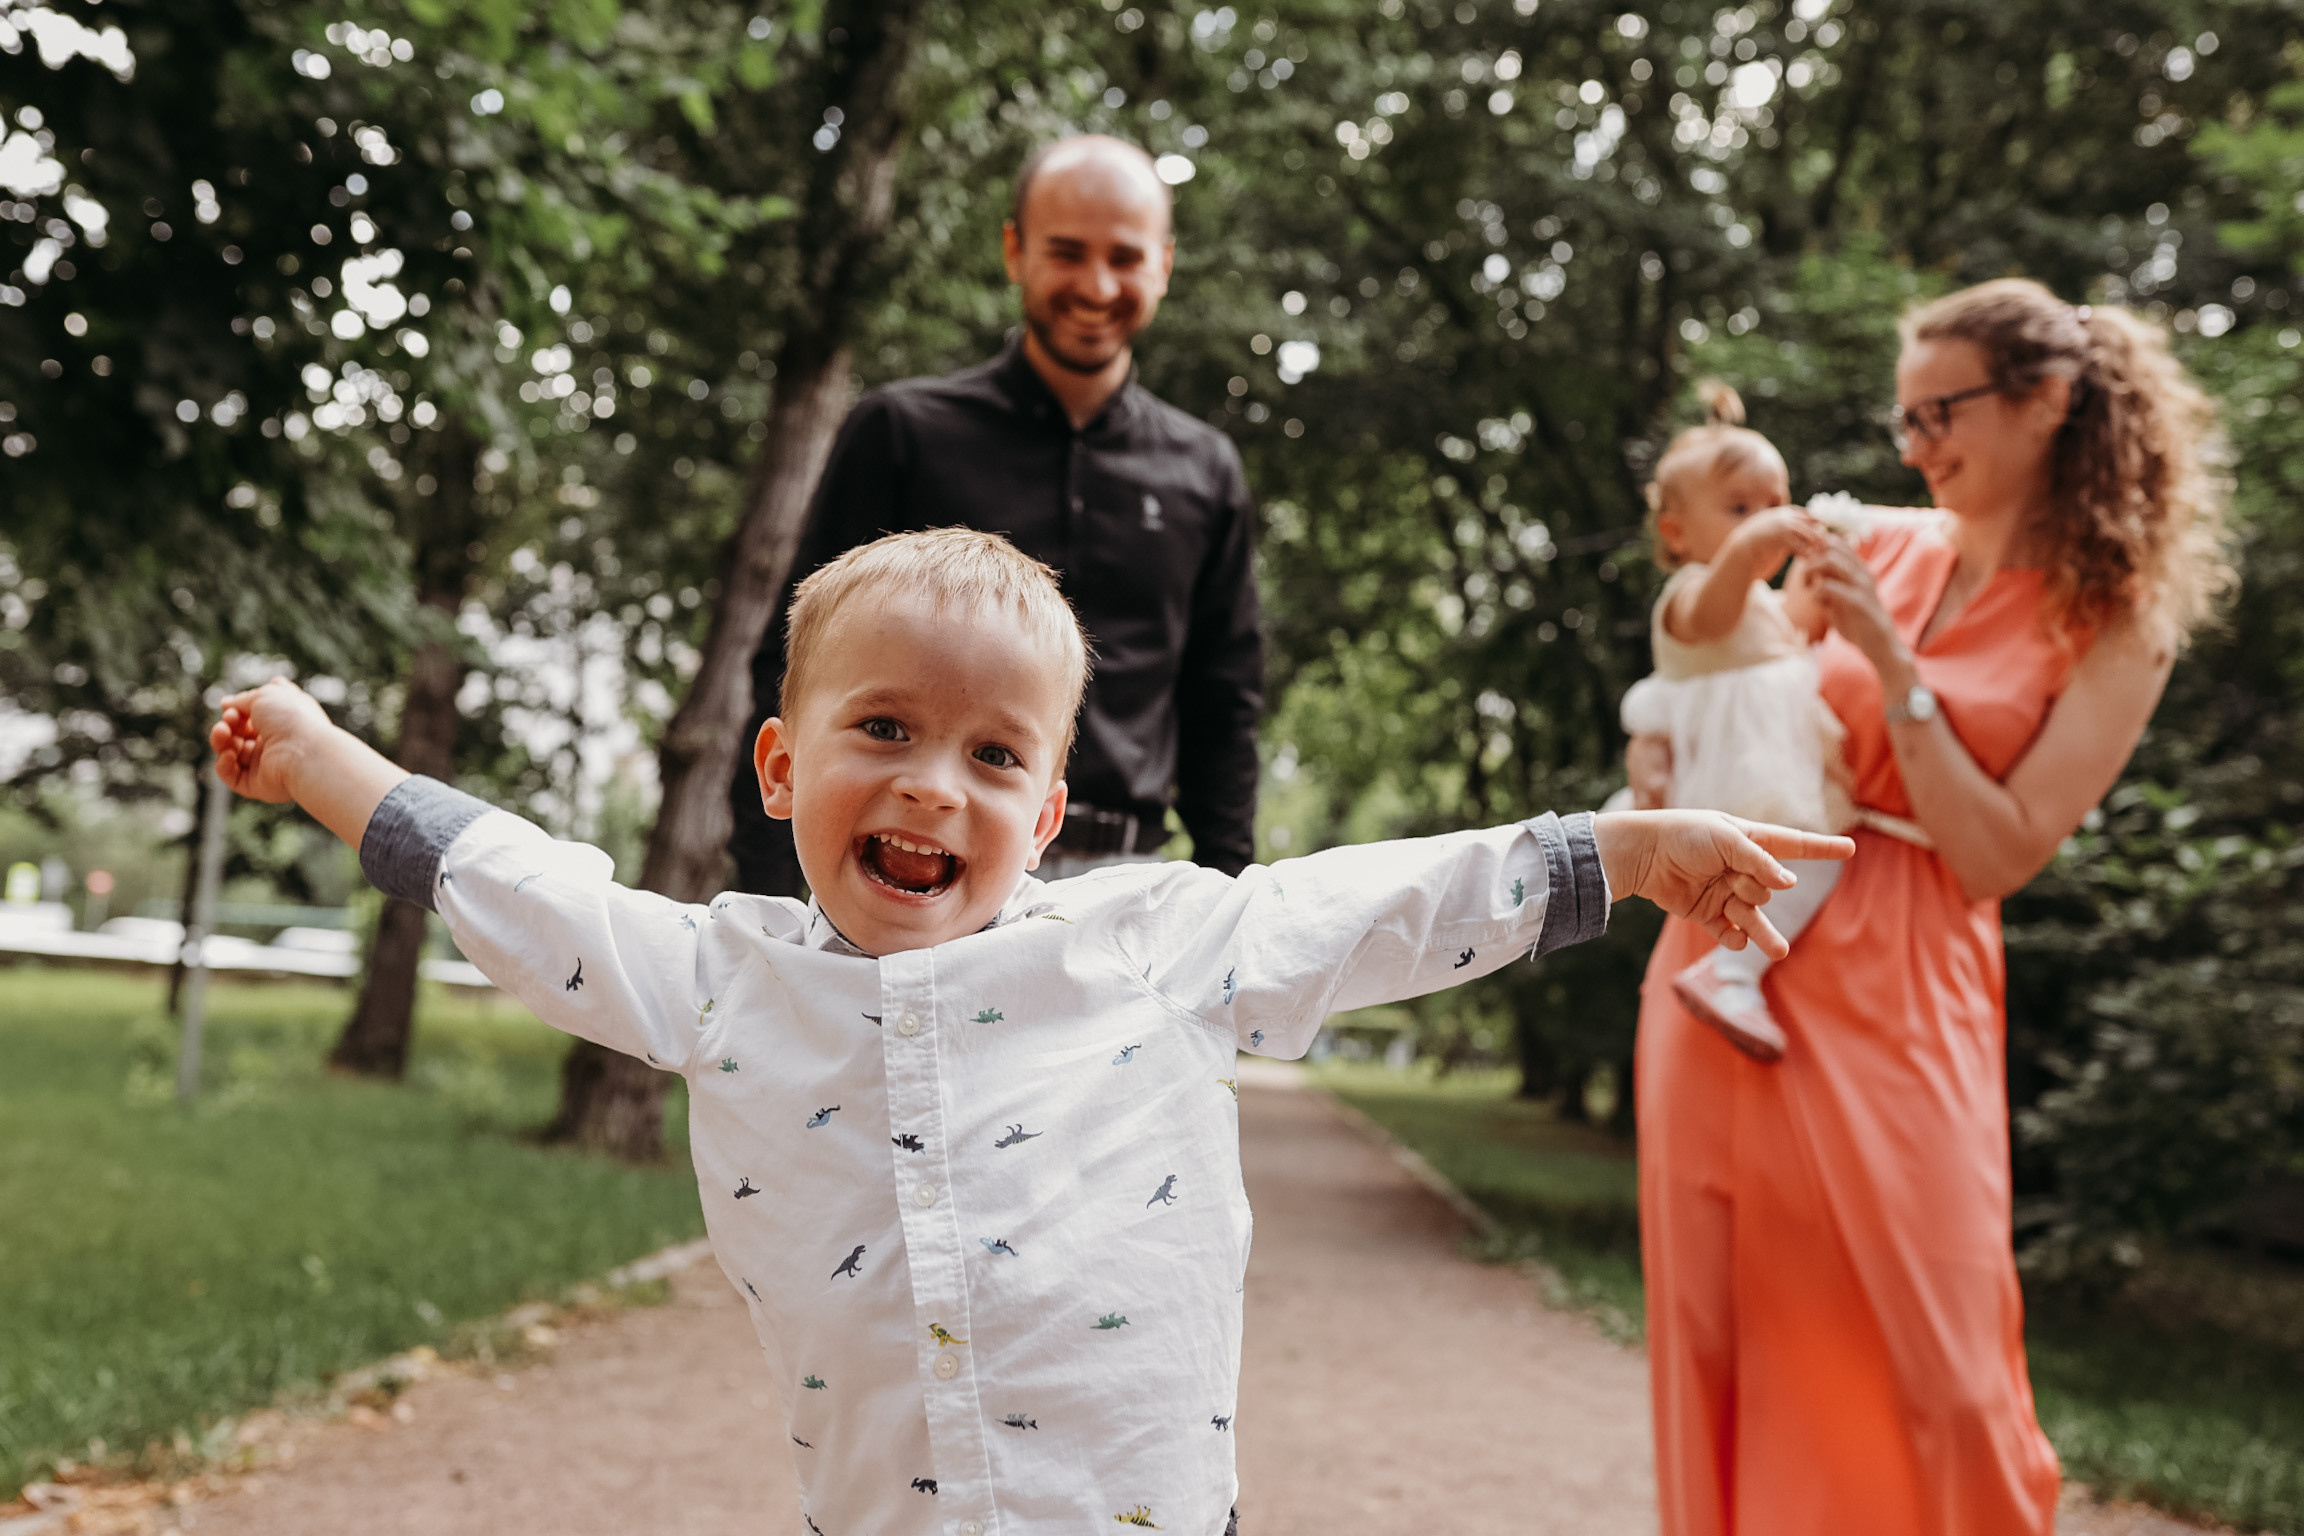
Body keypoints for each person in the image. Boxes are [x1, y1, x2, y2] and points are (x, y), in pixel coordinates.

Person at [212, 528, 1849, 1536]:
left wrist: (1615, 853)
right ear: (779, 769)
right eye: (883, 729)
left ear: (1051, 812)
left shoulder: (1144, 943)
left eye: (995, 757)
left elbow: (1373, 905)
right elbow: (526, 892)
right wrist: (319, 758)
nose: (935, 784)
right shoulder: (721, 979)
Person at [1633, 280, 2230, 1536]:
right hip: (1731, 948)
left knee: (1944, 1378)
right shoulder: (1871, 538)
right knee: (1718, 1330)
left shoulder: (2118, 623)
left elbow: (1997, 853)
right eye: (1903, 421)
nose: (1914, 448)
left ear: (2045, 401)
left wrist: (1898, 671)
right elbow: (1723, 662)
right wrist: (1661, 735)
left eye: (1938, 415)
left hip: (1910, 982)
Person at [730, 134, 1263, 894]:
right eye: (1067, 252)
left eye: (1126, 257)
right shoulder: (902, 434)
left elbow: (1223, 708)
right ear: (1015, 251)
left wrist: (1227, 903)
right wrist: (774, 898)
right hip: (913, 868)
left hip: (1122, 888)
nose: (1097, 284)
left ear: (1164, 265)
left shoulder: (1206, 471)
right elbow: (794, 665)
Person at [1618, 381, 1847, 1061]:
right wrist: (1749, 550)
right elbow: (1714, 617)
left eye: (1775, 505)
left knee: (1800, 864)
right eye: (1740, 508)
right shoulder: (1689, 592)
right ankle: (1730, 974)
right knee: (1807, 861)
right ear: (1677, 532)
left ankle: (1733, 970)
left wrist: (1817, 589)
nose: (1763, 522)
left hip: (1772, 762)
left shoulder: (1760, 598)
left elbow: (1796, 637)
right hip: (1735, 766)